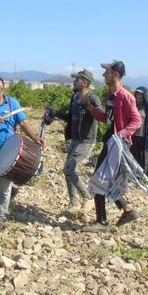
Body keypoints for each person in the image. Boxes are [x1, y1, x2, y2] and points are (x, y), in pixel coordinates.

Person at [0, 76, 44, 230]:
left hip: (6, 156)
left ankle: (1, 218)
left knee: (4, 191)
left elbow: (23, 122)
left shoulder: (12, 103)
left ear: (3, 89)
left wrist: (35, 138)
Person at [84, 60, 142, 232]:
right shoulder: (110, 96)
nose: (103, 75)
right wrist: (93, 111)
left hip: (116, 145)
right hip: (109, 141)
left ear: (115, 74)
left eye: (106, 72)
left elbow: (136, 120)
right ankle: (127, 210)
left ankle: (101, 222)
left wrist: (121, 135)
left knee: (98, 179)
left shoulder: (125, 96)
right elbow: (108, 120)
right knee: (103, 180)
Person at [47, 69, 102, 210]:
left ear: (84, 82)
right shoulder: (74, 98)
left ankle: (87, 196)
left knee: (68, 170)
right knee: (68, 171)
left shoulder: (92, 98)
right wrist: (56, 113)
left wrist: (89, 108)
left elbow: (102, 117)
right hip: (74, 140)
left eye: (76, 80)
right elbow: (70, 118)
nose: (74, 82)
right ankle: (73, 203)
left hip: (86, 141)